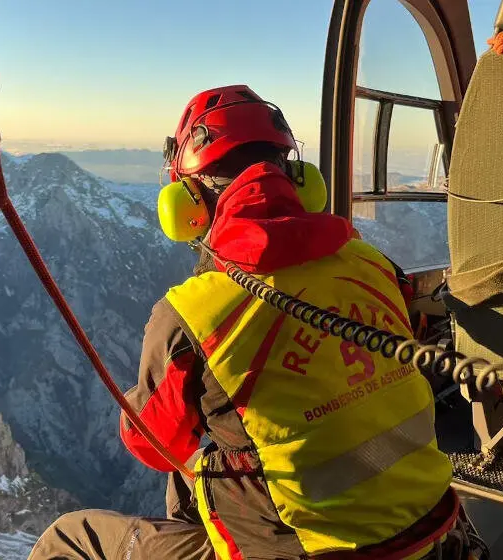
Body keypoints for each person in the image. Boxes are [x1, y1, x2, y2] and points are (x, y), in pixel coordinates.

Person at [28, 85, 470, 560]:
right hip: (435, 536)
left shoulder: (194, 314)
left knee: (70, 537)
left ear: (189, 202)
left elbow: (153, 446)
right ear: (300, 182)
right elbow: (409, 338)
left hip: (303, 553)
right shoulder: (373, 265)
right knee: (205, 462)